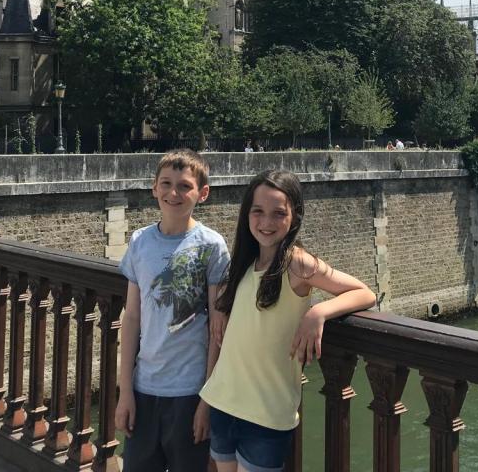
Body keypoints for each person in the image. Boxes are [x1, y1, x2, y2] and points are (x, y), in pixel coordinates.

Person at [200, 171, 376, 472]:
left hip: (266, 413)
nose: (266, 222)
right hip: (223, 401)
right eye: (258, 211)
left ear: (295, 216)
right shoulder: (243, 263)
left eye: (278, 213)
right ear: (246, 214)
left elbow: (364, 293)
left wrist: (318, 312)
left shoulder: (297, 263)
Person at [116, 149, 230, 472]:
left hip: (189, 392)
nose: (173, 193)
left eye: (184, 186)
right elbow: (132, 318)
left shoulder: (212, 246)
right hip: (144, 387)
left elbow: (217, 328)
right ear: (154, 188)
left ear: (202, 193)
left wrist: (207, 400)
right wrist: (125, 391)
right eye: (166, 184)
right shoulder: (139, 241)